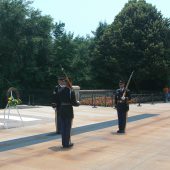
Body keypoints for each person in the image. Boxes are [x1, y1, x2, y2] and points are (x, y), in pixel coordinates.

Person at [58, 78, 80, 148]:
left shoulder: (60, 90)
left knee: (63, 127)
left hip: (62, 110)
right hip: (68, 110)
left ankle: (64, 143)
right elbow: (74, 103)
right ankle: (67, 144)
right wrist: (78, 103)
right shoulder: (71, 91)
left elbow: (58, 100)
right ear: (70, 83)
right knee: (68, 128)